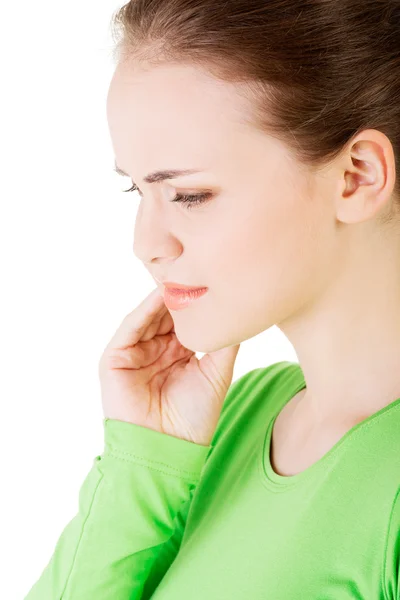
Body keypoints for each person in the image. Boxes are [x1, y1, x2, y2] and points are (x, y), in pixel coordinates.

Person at [25, 0, 400, 598]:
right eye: (136, 189)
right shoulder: (231, 419)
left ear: (356, 176)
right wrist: (144, 464)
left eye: (190, 195)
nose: (146, 245)